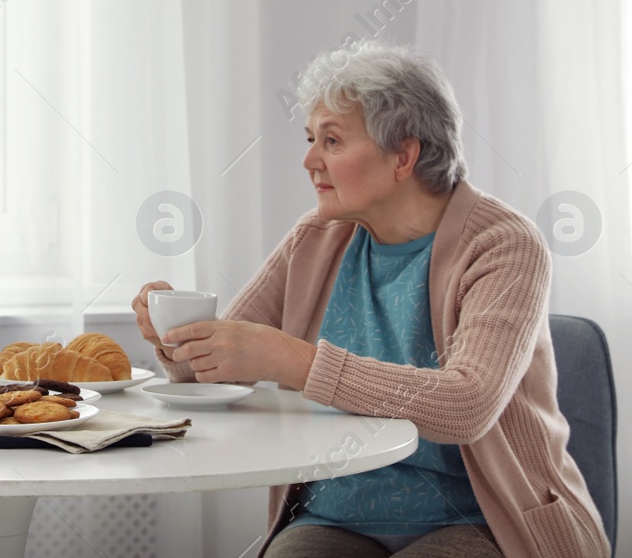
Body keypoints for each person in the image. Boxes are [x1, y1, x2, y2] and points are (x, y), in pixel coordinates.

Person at [132, 42, 608, 558]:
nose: (309, 159)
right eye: (312, 138)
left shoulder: (503, 244)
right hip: (335, 515)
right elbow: (223, 371)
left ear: (404, 155)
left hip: (480, 519)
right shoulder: (316, 237)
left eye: (332, 141)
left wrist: (293, 360)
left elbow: (467, 406)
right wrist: (176, 341)